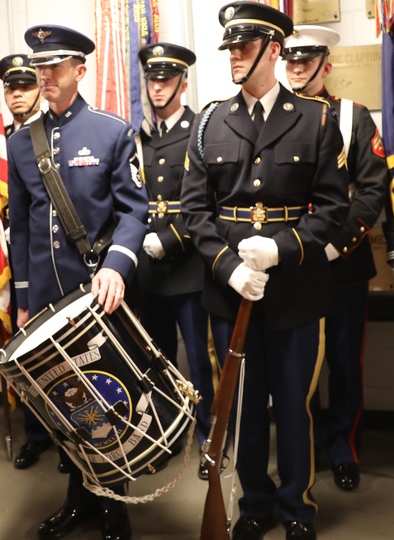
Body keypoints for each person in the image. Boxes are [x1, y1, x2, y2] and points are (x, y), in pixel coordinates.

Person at [181, 1, 350, 540]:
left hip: (295, 287)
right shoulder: (210, 121)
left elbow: (332, 208)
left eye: (245, 47)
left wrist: (281, 249)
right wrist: (228, 266)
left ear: (273, 52)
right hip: (229, 291)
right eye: (230, 46)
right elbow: (193, 211)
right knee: (244, 403)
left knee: (295, 403)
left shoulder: (317, 118)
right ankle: (254, 502)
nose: (235, 55)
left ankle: (297, 505)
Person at [7, 25, 147, 540]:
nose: (45, 75)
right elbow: (19, 227)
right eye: (39, 67)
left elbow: (136, 212)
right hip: (47, 297)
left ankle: (114, 506)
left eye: (56, 66)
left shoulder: (112, 132)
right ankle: (79, 499)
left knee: (108, 400)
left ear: (79, 70)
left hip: (97, 292)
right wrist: (23, 300)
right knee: (66, 404)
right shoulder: (22, 143)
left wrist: (117, 264)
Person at [281, 25, 388, 493]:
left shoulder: (352, 117)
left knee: (344, 359)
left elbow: (372, 190)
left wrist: (334, 243)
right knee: (295, 363)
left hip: (340, 260)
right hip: (290, 261)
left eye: (307, 60)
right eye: (290, 59)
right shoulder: (273, 117)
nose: (298, 67)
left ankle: (343, 446)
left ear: (326, 65)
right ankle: (302, 446)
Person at [134, 42, 223, 478]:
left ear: (182, 84)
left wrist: (171, 239)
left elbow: (209, 202)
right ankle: (169, 434)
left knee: (201, 360)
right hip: (149, 272)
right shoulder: (138, 138)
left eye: (166, 79)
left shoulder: (200, 132)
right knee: (159, 357)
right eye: (152, 78)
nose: (157, 86)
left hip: (188, 267)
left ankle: (210, 437)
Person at [0, 52, 55, 471]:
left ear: (39, 89)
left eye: (25, 86)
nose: (17, 94)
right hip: (7, 263)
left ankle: (68, 433)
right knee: (22, 355)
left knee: (56, 352)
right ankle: (36, 434)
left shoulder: (50, 135)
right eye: (10, 88)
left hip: (43, 260)